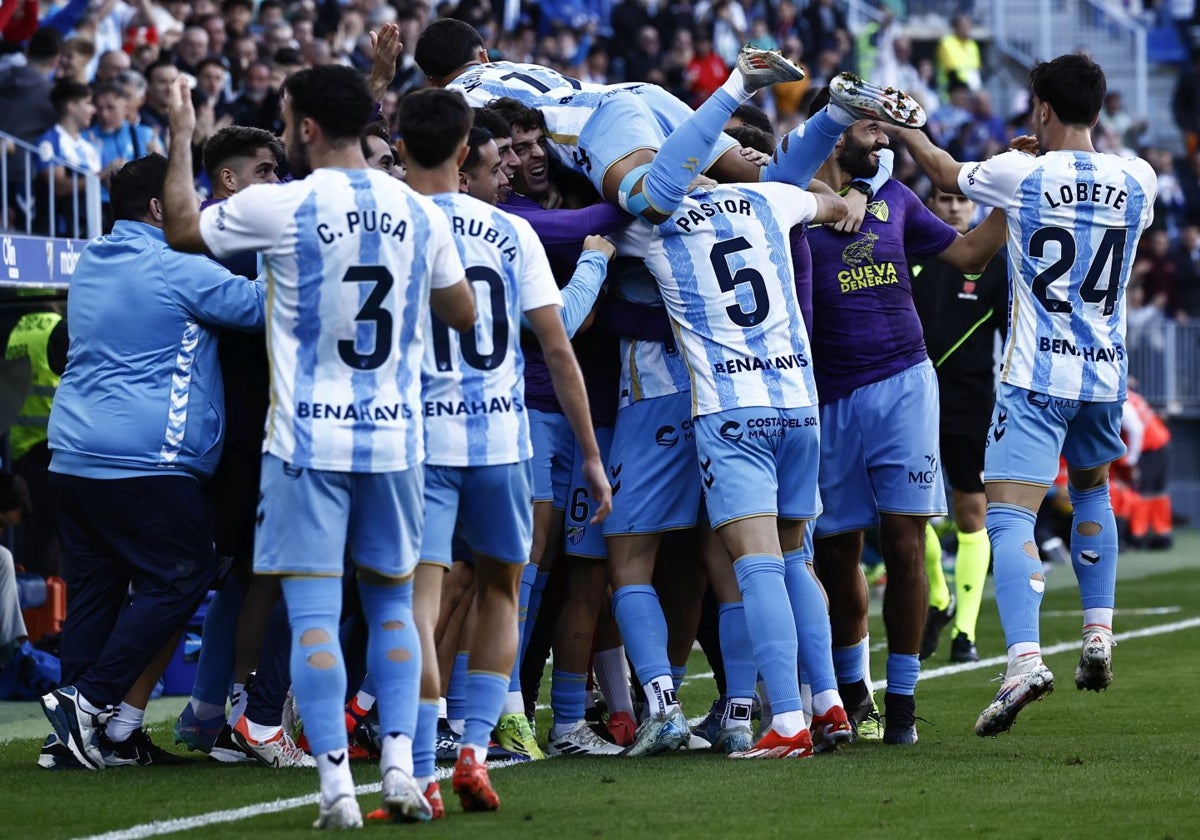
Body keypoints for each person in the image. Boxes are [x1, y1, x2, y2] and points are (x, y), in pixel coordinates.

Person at [162, 65, 475, 828]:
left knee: (312, 615)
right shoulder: (420, 209)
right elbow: (464, 313)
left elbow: (179, 227)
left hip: (305, 440)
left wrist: (179, 132)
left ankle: (335, 785)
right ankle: (401, 767)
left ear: (303, 128)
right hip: (397, 442)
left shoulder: (281, 204)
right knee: (395, 606)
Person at [901, 53, 1157, 736]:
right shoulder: (1141, 176)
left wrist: (910, 131)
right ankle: (1098, 633)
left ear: (1041, 108)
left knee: (1010, 513)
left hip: (1035, 372)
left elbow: (946, 175)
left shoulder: (1022, 173)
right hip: (1104, 373)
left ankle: (1022, 661)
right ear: (1098, 109)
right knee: (1094, 490)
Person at [402, 90, 610, 813]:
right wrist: (589, 454)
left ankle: (421, 762)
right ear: (466, 154)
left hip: (421, 440)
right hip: (502, 440)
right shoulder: (510, 230)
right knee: (502, 591)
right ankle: (475, 750)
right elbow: (556, 347)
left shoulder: (395, 226)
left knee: (420, 600)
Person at [37, 154, 266, 772]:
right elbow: (260, 307)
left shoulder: (91, 262)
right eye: (184, 201)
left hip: (73, 459)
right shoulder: (175, 267)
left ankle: (74, 739)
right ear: (160, 209)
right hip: (147, 462)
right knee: (183, 576)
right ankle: (87, 699)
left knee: (95, 595)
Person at [805, 92, 1007, 745]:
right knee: (837, 553)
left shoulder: (896, 201)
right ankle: (853, 689)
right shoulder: (792, 203)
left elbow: (972, 255)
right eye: (868, 121)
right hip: (827, 395)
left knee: (904, 541)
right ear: (830, 131)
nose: (882, 130)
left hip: (904, 382)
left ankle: (900, 705)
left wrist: (1017, 199)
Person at [413, 19, 804, 224]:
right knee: (768, 179)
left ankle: (737, 86)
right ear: (483, 55)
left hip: (601, 124)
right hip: (635, 94)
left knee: (654, 201)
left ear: (432, 82)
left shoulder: (455, 104)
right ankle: (835, 121)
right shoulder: (514, 66)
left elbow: (499, 153)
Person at [912, 187, 1008, 664]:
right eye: (943, 199)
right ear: (929, 206)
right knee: (905, 512)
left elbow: (1012, 335)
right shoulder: (911, 255)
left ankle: (964, 632)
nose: (953, 207)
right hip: (911, 402)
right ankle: (939, 597)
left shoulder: (993, 264)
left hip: (971, 403)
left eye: (961, 201)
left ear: (974, 208)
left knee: (973, 512)